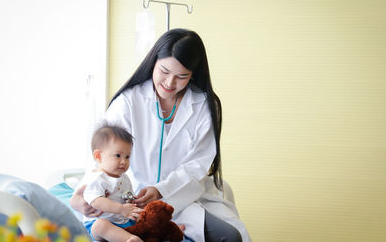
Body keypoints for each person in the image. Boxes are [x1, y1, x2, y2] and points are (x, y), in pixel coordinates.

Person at [71, 28, 252, 242]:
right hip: (129, 202)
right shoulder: (128, 102)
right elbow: (103, 152)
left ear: (193, 74)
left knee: (231, 237)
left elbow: (197, 165)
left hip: (182, 198)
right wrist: (80, 195)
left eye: (181, 76)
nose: (169, 83)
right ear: (154, 62)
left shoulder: (205, 105)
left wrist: (160, 190)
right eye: (164, 71)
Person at [82, 122, 143, 242]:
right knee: (101, 226)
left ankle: (166, 229)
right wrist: (121, 209)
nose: (123, 161)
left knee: (145, 217)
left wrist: (133, 204)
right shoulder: (97, 178)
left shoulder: (124, 178)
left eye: (127, 157)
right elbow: (96, 201)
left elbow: (127, 197)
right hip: (100, 224)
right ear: (98, 156)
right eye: (118, 155)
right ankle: (131, 239)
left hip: (123, 221)